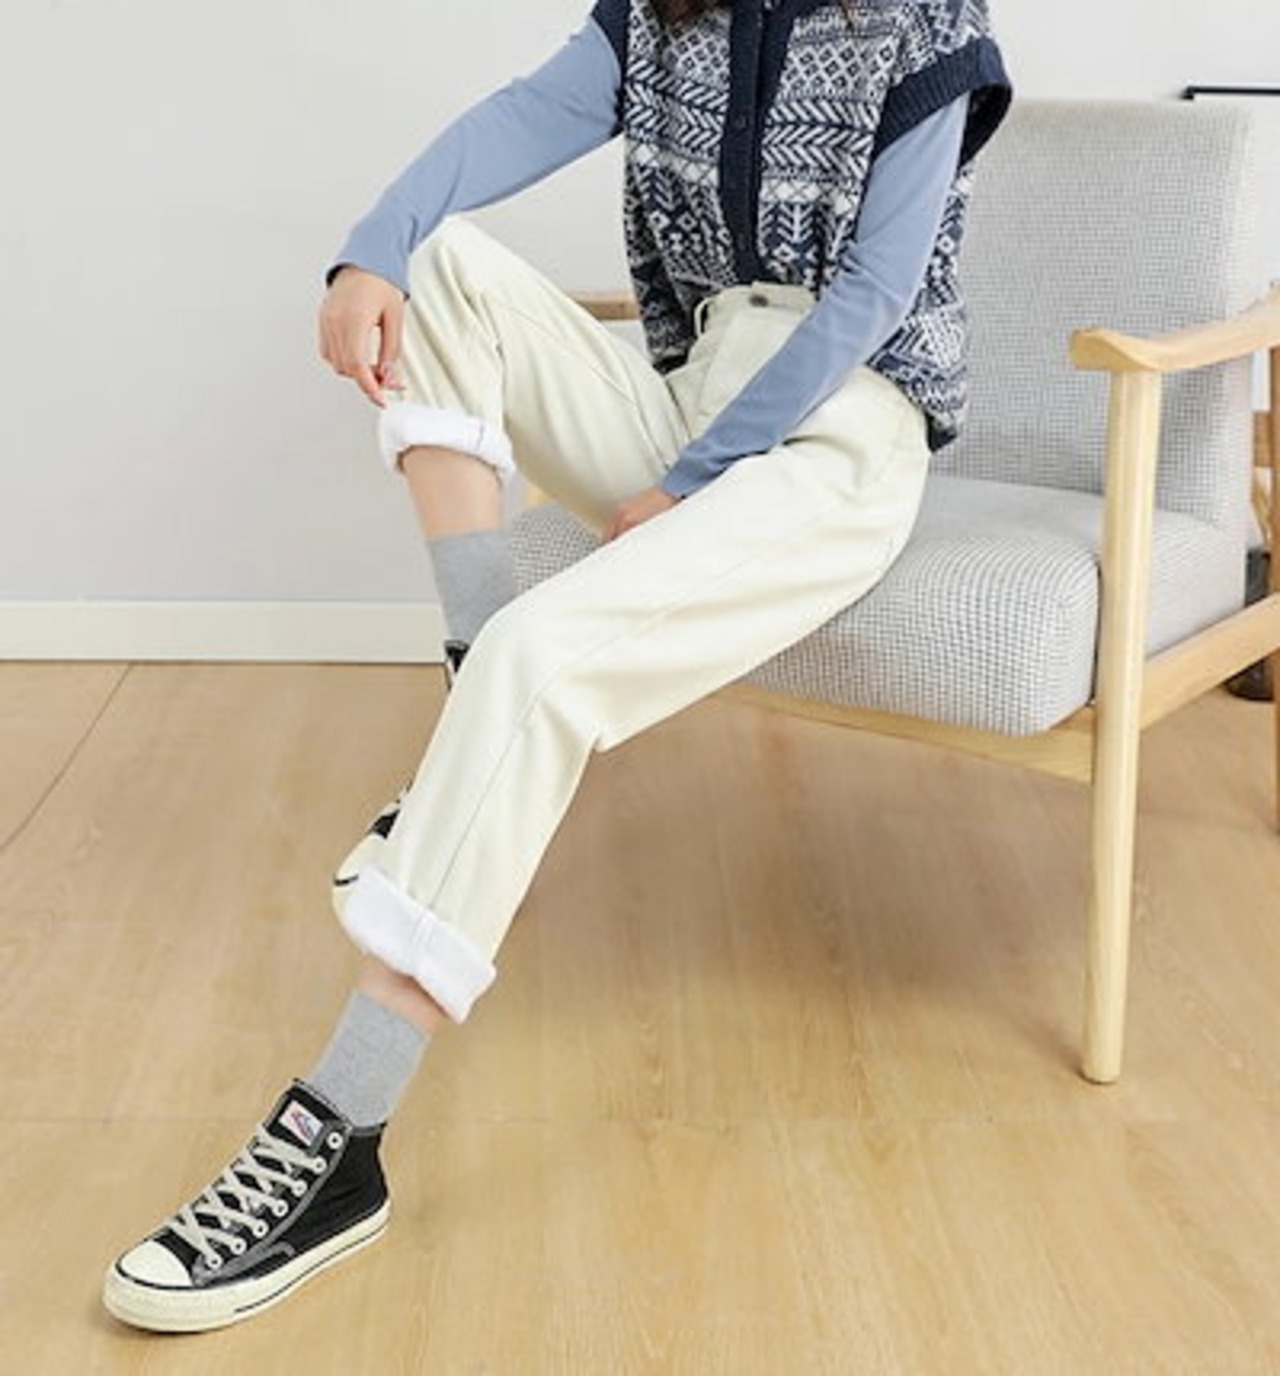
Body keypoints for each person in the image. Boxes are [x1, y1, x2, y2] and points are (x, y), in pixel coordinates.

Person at [103, 0, 1011, 1332]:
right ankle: (471, 715)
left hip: (838, 434)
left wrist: (695, 481)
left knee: (545, 652)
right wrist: (369, 250)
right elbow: (519, 120)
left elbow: (875, 294)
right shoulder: (665, 14)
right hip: (691, 387)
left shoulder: (924, 19)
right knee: (443, 263)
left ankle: (339, 1138)